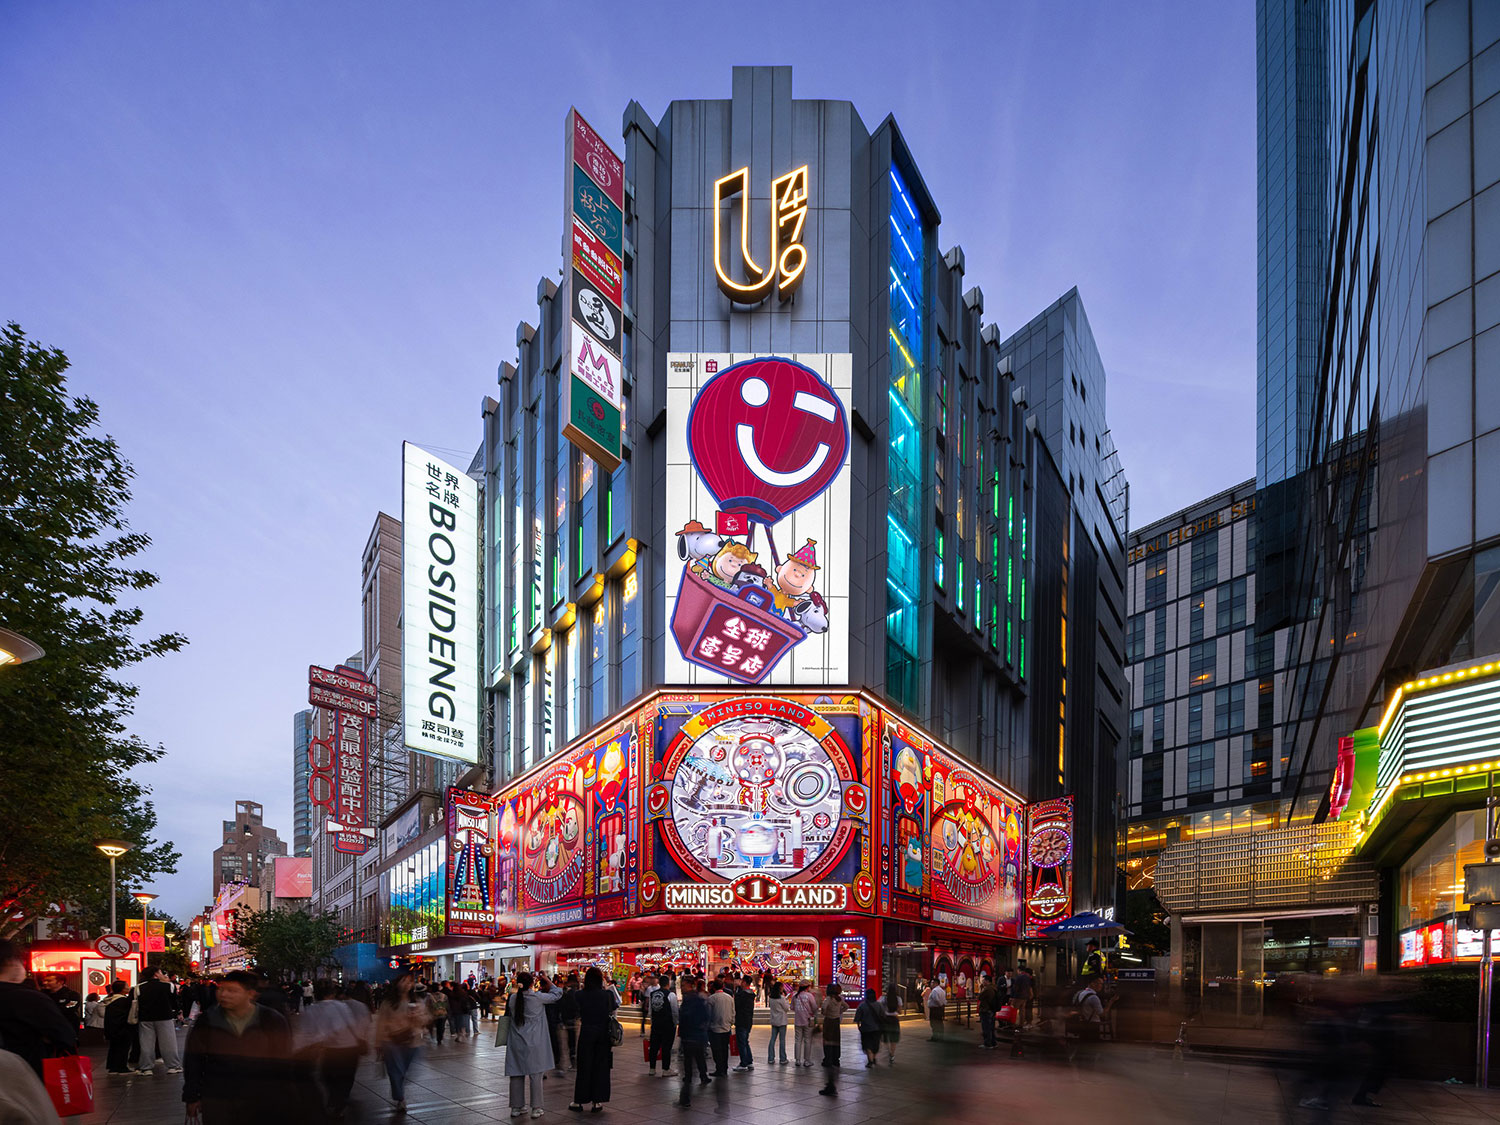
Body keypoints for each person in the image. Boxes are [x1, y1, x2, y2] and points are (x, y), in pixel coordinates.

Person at [182, 969, 293, 1125]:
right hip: (218, 1097)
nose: (223, 994)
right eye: (221, 989)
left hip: (262, 1096)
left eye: (232, 991)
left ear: (251, 994)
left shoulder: (271, 1019)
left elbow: (284, 1060)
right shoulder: (208, 1020)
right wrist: (192, 1096)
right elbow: (193, 1060)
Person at [0, 941, 77, 1078]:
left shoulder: (69, 995)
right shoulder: (28, 997)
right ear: (11, 962)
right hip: (22, 1076)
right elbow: (64, 1036)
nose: (45, 982)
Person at [297, 980, 366, 1120]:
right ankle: (338, 1104)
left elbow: (307, 1031)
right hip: (349, 1047)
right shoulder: (341, 1006)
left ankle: (334, 1102)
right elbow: (349, 1024)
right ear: (333, 993)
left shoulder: (311, 1009)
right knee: (346, 1079)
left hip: (329, 1049)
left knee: (327, 1076)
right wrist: (360, 1038)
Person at [505, 971, 562, 1119]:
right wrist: (547, 980)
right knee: (535, 1075)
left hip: (516, 1042)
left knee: (516, 1074)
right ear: (532, 983)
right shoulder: (537, 998)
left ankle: (516, 1107)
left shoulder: (512, 999)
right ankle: (536, 1108)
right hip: (535, 1042)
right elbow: (557, 993)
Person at [374, 972, 427, 1114]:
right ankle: (400, 1098)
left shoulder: (416, 1001)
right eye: (403, 981)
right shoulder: (389, 1002)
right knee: (395, 1071)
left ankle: (399, 1090)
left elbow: (424, 1019)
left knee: (406, 1072)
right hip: (391, 1041)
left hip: (412, 1041)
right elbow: (381, 1022)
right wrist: (378, 1042)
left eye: (409, 982)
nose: (406, 984)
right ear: (397, 983)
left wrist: (418, 1018)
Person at [569, 966, 618, 1112]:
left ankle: (579, 1101)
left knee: (584, 1067)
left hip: (587, 1032)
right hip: (603, 1034)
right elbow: (613, 1009)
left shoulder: (579, 994)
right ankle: (597, 1102)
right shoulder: (607, 995)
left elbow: (575, 1011)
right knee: (601, 1067)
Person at [134, 965, 184, 1075]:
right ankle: (173, 1066)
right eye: (161, 972)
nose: (163, 974)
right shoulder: (168, 986)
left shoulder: (138, 987)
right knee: (168, 1043)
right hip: (164, 1017)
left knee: (146, 1043)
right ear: (156, 974)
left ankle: (146, 1068)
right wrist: (178, 1012)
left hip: (145, 1018)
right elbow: (174, 1002)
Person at [674, 977, 711, 1108]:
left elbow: (687, 1018)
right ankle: (703, 1076)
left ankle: (685, 1098)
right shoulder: (697, 999)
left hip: (691, 1037)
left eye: (683, 986)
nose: (682, 988)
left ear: (690, 986)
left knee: (689, 1069)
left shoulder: (691, 1000)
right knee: (698, 1060)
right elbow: (706, 1017)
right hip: (697, 1037)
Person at [645, 971, 677, 1077]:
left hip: (656, 1023)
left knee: (654, 1046)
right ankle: (665, 1069)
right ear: (668, 983)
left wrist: (652, 1021)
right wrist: (675, 1023)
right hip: (667, 1024)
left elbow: (650, 1010)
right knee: (666, 1046)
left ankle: (652, 1068)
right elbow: (674, 1011)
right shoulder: (671, 995)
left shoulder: (652, 994)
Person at [817, 983, 846, 1098]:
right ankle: (836, 1058)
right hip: (836, 1021)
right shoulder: (839, 999)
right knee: (836, 1040)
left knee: (827, 1040)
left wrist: (826, 1013)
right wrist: (839, 1012)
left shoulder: (828, 999)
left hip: (829, 1021)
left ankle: (828, 1058)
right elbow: (846, 1006)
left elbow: (823, 1009)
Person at [101, 980, 134, 1075]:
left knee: (114, 1048)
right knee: (123, 1048)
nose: (128, 987)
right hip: (122, 1028)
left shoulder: (111, 1000)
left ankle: (113, 1067)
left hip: (112, 1028)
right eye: (127, 985)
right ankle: (121, 1067)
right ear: (123, 989)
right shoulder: (123, 1001)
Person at [705, 980, 734, 1077]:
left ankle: (719, 1068)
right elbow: (733, 1011)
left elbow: (708, 1014)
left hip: (715, 1028)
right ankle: (724, 1068)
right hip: (726, 1027)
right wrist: (731, 1022)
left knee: (716, 1050)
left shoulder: (711, 999)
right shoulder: (729, 998)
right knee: (725, 1049)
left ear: (713, 987)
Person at [791, 980, 819, 1068]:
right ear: (807, 987)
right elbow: (814, 1007)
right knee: (807, 1040)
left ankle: (798, 1060)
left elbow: (792, 1007)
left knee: (798, 1040)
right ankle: (807, 1060)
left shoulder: (795, 996)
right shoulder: (809, 996)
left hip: (798, 1020)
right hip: (808, 1020)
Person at [731, 974, 755, 1071]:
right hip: (748, 1020)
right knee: (745, 1041)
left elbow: (736, 1005)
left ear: (744, 982)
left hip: (741, 1020)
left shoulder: (742, 995)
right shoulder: (751, 995)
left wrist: (735, 989)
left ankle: (743, 1063)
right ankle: (749, 1061)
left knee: (742, 1042)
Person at [854, 988, 883, 1067]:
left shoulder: (862, 1005)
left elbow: (857, 1018)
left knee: (867, 1044)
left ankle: (870, 1061)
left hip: (866, 1029)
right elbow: (883, 1016)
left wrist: (859, 1027)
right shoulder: (879, 1005)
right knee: (875, 1044)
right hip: (877, 1028)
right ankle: (873, 1058)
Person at [558, 974, 581, 1070]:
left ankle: (572, 1062)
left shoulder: (568, 993)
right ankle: (573, 1061)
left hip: (568, 1019)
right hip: (573, 1019)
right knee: (572, 1042)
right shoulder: (577, 993)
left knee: (569, 1042)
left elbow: (563, 1005)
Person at [875, 984, 902, 1065]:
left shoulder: (883, 998)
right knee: (894, 1039)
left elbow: (879, 1008)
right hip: (894, 1020)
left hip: (885, 1020)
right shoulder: (898, 999)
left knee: (885, 1038)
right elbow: (900, 1011)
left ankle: (889, 1051)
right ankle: (892, 1055)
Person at [765, 981, 790, 1065]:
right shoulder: (782, 998)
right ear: (780, 988)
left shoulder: (771, 998)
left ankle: (771, 1058)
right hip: (782, 1021)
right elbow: (787, 1008)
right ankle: (783, 1058)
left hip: (774, 1020)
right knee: (782, 1040)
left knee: (772, 1039)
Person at [977, 975, 999, 1050]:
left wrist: (981, 989)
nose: (982, 982)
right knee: (991, 1028)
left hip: (986, 1010)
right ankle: (993, 1042)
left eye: (983, 981)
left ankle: (987, 1044)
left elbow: (979, 997)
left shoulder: (987, 989)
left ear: (987, 981)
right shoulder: (994, 987)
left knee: (986, 1028)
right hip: (992, 1010)